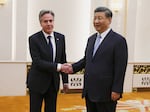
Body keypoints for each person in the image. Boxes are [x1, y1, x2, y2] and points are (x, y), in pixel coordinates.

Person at [63, 6, 128, 112]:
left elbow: (120, 67)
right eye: (95, 18)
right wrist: (72, 68)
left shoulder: (118, 41)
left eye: (100, 18)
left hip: (106, 93)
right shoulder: (91, 39)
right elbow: (87, 60)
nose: (96, 21)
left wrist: (117, 90)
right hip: (90, 90)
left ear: (109, 20)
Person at [27, 10, 69, 112]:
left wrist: (65, 81)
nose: (49, 24)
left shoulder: (61, 38)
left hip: (53, 83)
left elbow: (63, 59)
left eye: (51, 20)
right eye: (45, 21)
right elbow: (37, 62)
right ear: (40, 23)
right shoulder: (34, 39)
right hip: (37, 83)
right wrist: (58, 67)